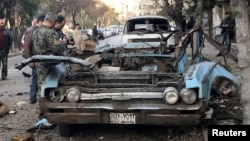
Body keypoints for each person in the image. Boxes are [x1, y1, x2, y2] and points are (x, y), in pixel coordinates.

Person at [32, 12, 68, 112]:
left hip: (39, 62)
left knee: (40, 87)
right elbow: (57, 49)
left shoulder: (36, 31)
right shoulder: (50, 33)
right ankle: (45, 112)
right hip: (48, 63)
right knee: (48, 88)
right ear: (52, 22)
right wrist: (64, 43)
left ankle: (39, 112)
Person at [23, 15, 45, 104]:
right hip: (34, 58)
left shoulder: (38, 30)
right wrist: (30, 60)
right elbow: (27, 47)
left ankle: (35, 98)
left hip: (39, 58)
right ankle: (33, 98)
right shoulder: (31, 31)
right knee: (36, 78)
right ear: (39, 22)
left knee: (36, 77)